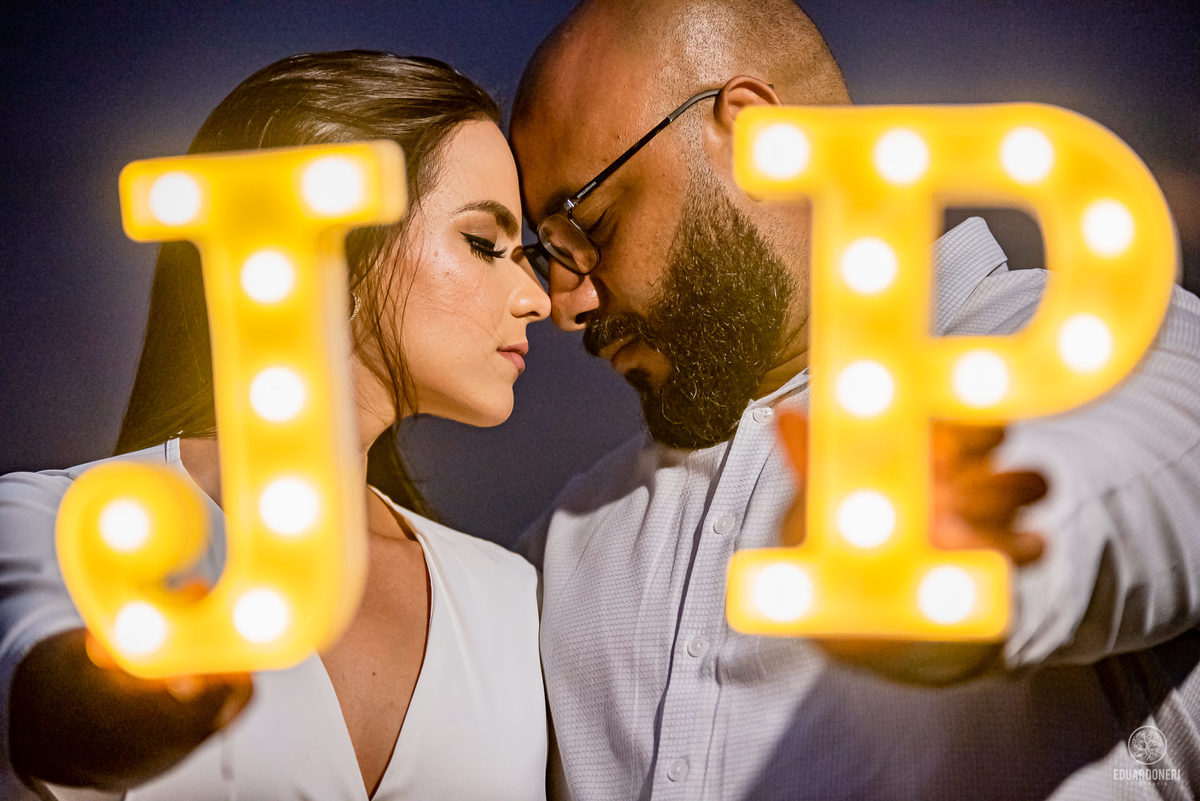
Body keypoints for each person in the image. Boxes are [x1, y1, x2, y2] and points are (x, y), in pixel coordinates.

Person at [511, 1, 1200, 799]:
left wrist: (965, 558)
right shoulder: (556, 554)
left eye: (589, 225)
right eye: (546, 253)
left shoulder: (1098, 342)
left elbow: (1150, 476)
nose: (567, 304)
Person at [0, 51, 550, 800]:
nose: (537, 297)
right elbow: (47, 713)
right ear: (332, 237)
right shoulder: (53, 528)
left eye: (527, 255)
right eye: (485, 243)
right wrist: (135, 704)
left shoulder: (511, 599)